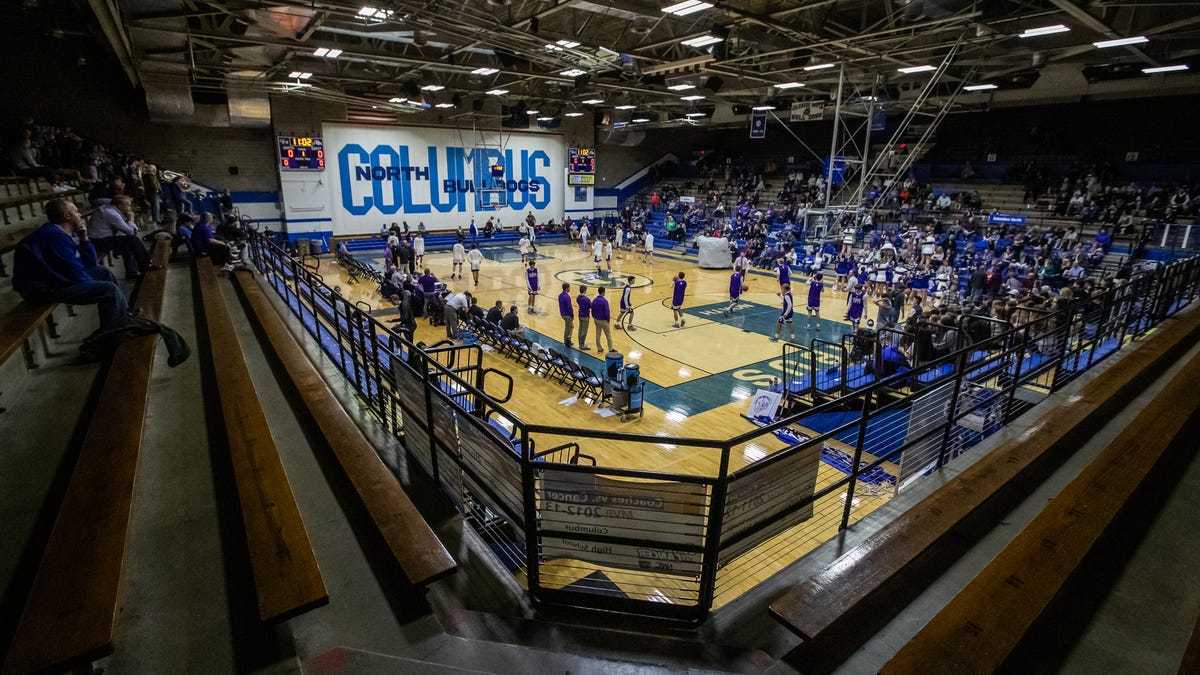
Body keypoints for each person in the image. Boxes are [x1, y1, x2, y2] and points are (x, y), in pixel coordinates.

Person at [12, 198, 129, 336]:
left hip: (51, 281)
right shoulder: (54, 237)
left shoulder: (59, 233)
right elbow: (75, 276)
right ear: (67, 216)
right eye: (76, 211)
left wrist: (84, 238)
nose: (79, 215)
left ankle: (124, 317)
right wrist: (92, 283)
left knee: (103, 272)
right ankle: (109, 336)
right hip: (39, 289)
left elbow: (91, 264)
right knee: (109, 290)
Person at [88, 195, 155, 278]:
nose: (129, 208)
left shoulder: (109, 209)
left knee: (127, 242)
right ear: (119, 205)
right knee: (132, 240)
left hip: (100, 239)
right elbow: (130, 232)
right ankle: (145, 264)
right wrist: (131, 219)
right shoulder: (111, 213)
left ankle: (131, 272)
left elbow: (122, 231)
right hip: (97, 241)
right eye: (128, 205)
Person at [591, 286, 614, 352]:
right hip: (603, 320)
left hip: (596, 319)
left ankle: (599, 348)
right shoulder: (604, 301)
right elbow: (606, 312)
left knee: (598, 334)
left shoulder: (594, 300)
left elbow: (592, 310)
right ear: (603, 292)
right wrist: (608, 320)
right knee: (608, 335)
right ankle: (610, 348)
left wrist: (594, 317)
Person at [558, 282, 574, 348]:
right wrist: (572, 315)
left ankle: (567, 340)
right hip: (567, 314)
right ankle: (567, 341)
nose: (570, 289)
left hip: (563, 313)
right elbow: (569, 307)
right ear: (567, 288)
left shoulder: (560, 295)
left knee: (569, 327)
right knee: (569, 328)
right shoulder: (567, 296)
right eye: (569, 287)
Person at [576, 285, 592, 350]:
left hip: (580, 314)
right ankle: (582, 345)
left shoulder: (578, 298)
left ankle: (580, 343)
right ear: (585, 290)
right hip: (585, 315)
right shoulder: (586, 299)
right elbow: (590, 306)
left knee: (580, 330)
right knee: (584, 331)